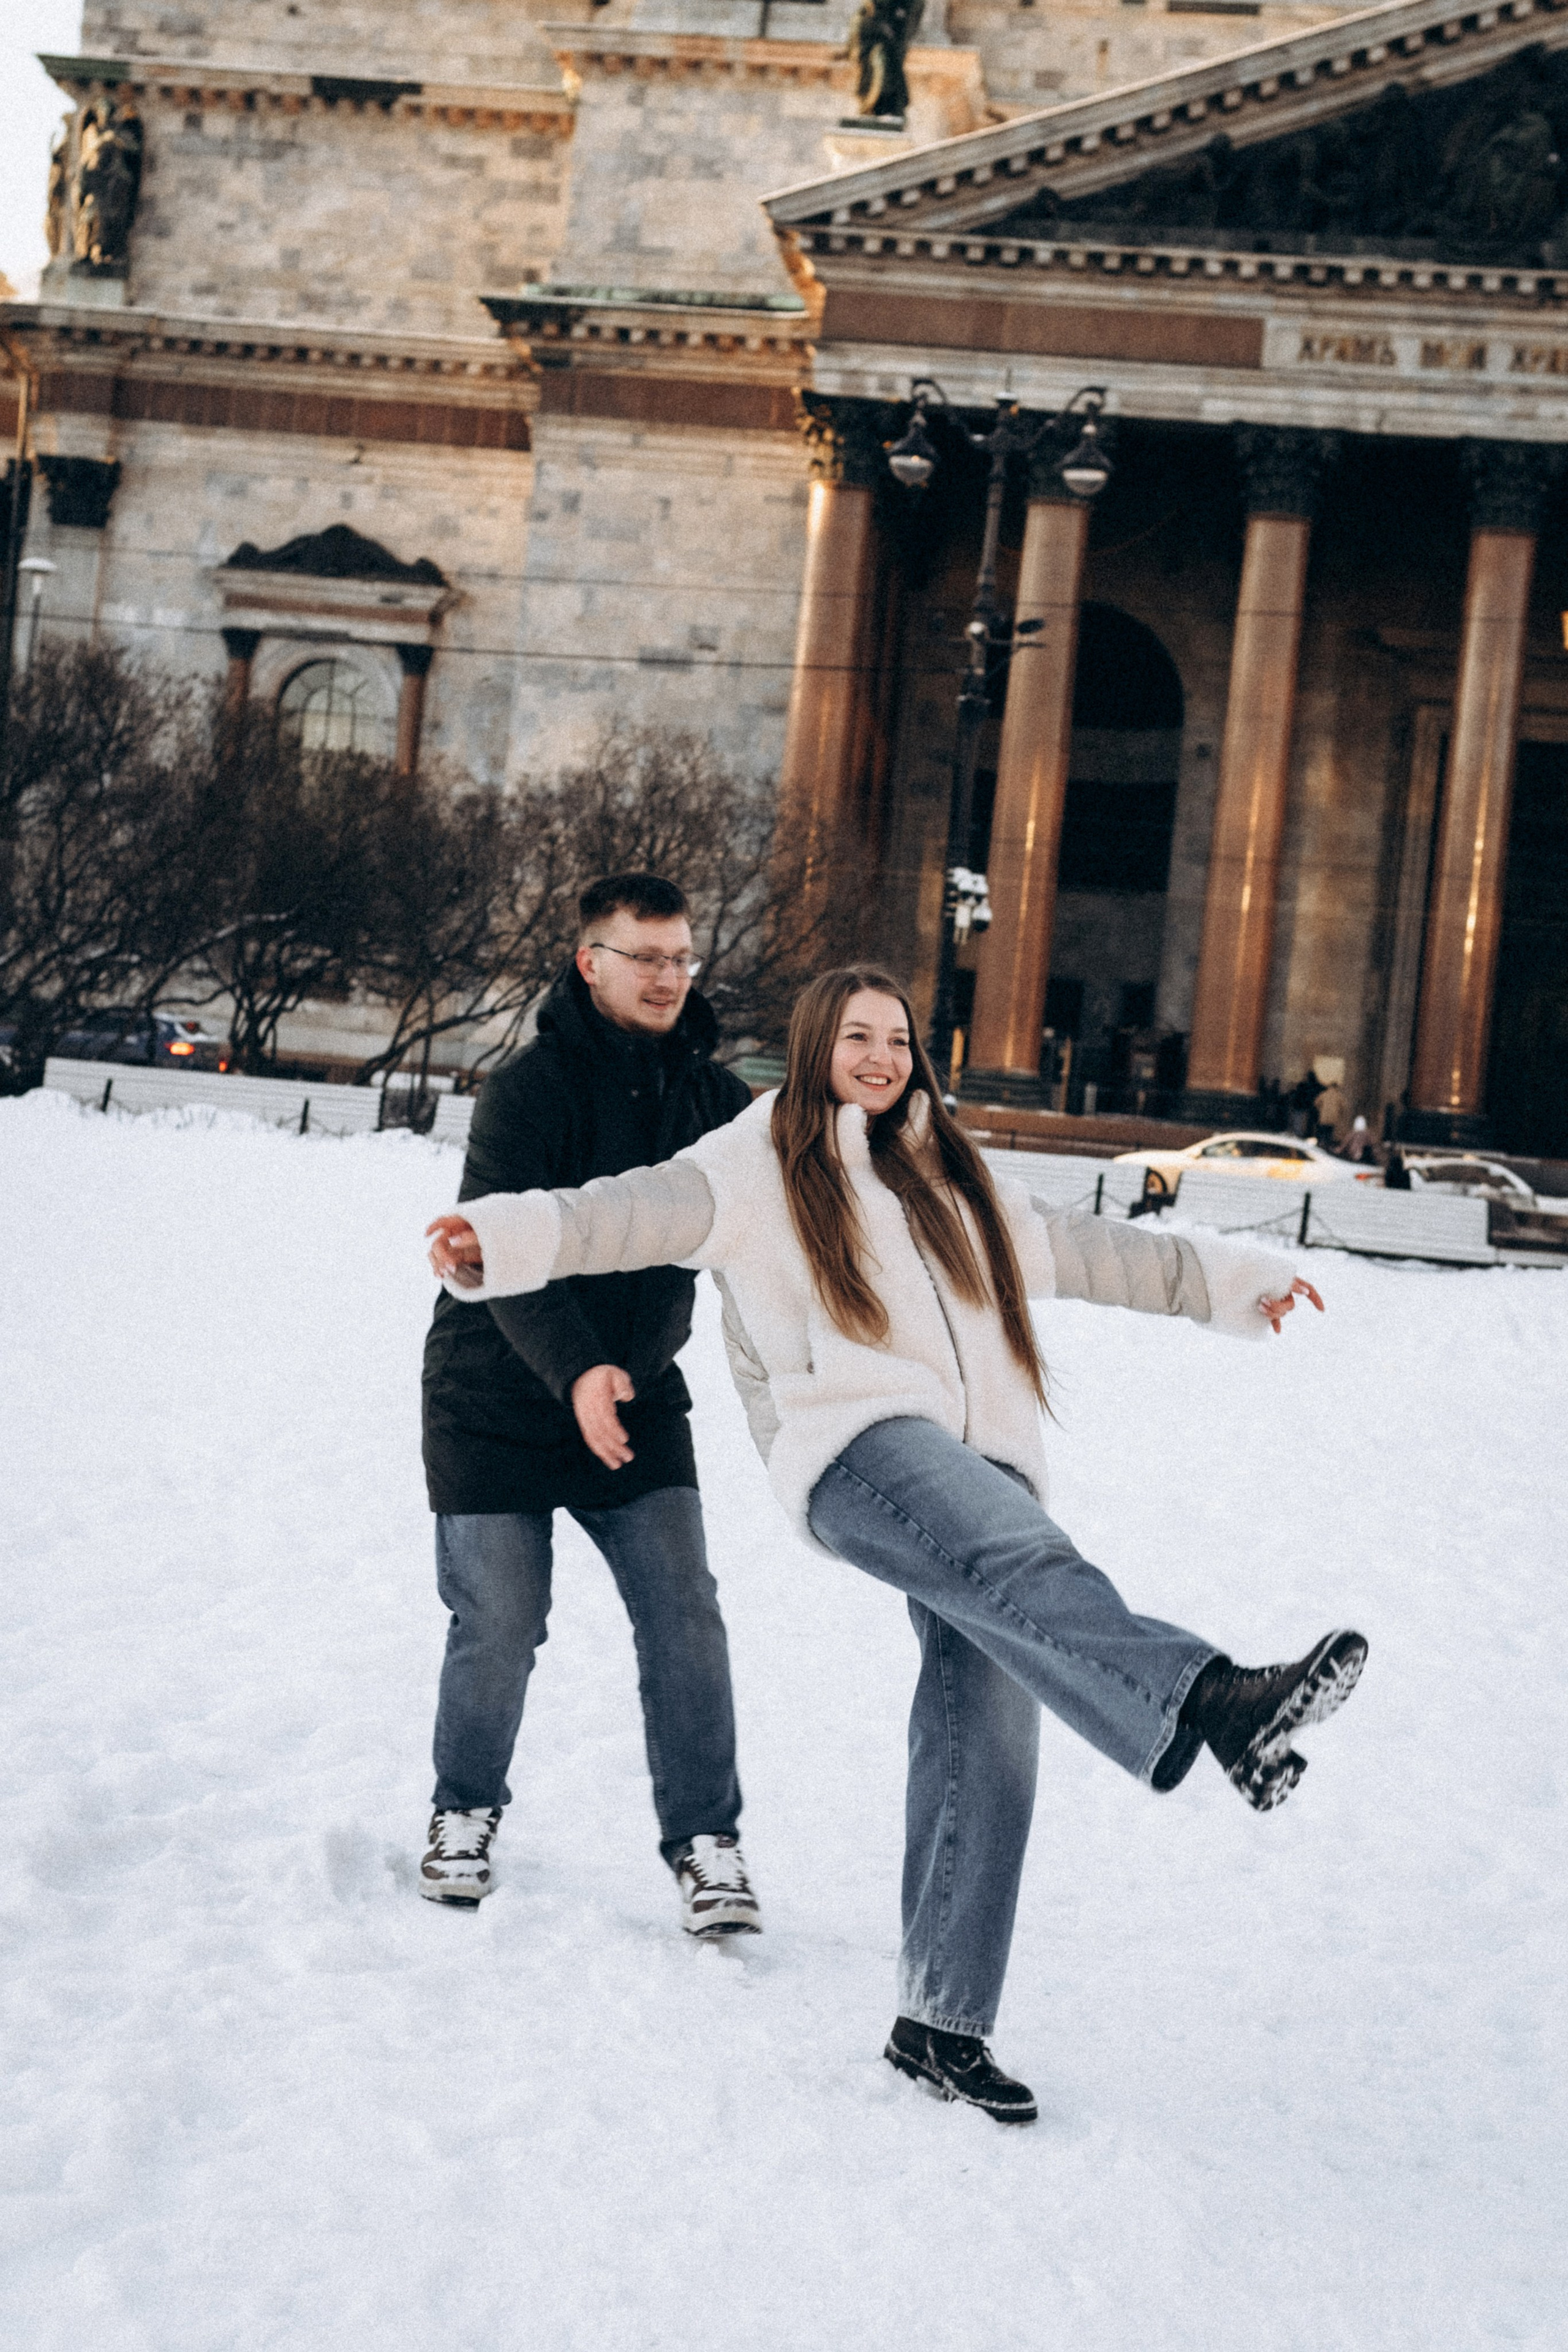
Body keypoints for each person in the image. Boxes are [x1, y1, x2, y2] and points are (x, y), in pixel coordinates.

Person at [428, 967, 1366, 2123]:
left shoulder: (953, 1173)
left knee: (989, 1729)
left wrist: (1232, 1285)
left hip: (983, 1462)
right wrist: (501, 1238)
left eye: (898, 1039)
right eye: (857, 1037)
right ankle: (1210, 1700)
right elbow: (619, 1214)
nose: (880, 1057)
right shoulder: (755, 1161)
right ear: (816, 1046)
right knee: (1033, 1569)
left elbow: (1091, 1251)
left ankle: (941, 2028)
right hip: (856, 1443)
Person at [418, 873, 761, 1937]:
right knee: (501, 1619)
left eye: (680, 958)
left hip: (636, 1393)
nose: (667, 978)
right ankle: (463, 1813)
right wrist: (576, 1371)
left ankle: (707, 1842)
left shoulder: (717, 1104)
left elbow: (768, 1214)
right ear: (590, 963)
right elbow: (502, 1250)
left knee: (684, 1611)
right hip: (495, 1391)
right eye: (644, 957)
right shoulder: (526, 1091)